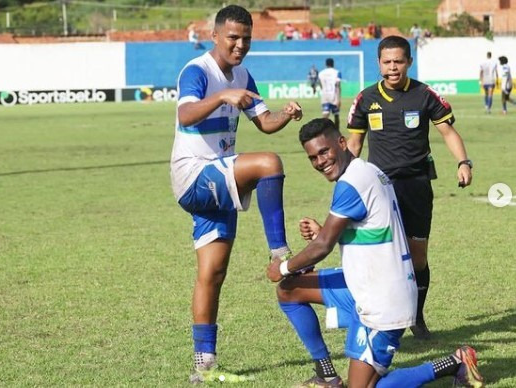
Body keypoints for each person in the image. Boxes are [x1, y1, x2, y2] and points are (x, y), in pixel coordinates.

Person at [267, 118, 484, 388]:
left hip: (384, 299)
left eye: (324, 152)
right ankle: (326, 374)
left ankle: (454, 362)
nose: (320, 161)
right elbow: (373, 230)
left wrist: (284, 267)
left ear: (342, 143)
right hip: (364, 283)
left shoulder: (351, 183)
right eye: (313, 157)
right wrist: (325, 232)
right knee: (289, 290)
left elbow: (322, 246)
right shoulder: (366, 170)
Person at [170, 4, 303, 383]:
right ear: (215, 36)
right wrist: (224, 96)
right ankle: (280, 253)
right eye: (233, 37)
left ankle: (204, 365)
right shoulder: (197, 71)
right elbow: (186, 115)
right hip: (195, 175)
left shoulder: (244, 74)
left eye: (246, 38)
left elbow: (264, 123)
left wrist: (285, 114)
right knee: (269, 164)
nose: (240, 45)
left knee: (212, 273)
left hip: (221, 181)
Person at [347, 35, 473, 340]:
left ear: (409, 62)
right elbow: (354, 142)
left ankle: (416, 317)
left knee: (417, 257)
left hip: (416, 186)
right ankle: (380, 319)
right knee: (380, 254)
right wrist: (346, 179)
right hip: (379, 188)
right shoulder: (365, 99)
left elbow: (447, 131)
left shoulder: (424, 95)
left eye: (399, 61)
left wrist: (464, 162)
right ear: (378, 63)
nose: (393, 68)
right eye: (387, 62)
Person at [318, 58, 342, 130]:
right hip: (334, 96)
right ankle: (337, 132)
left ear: (326, 64)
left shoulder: (321, 73)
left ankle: (323, 131)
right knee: (336, 115)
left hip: (325, 96)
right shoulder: (337, 72)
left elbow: (321, 85)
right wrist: (338, 99)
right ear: (333, 64)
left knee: (325, 115)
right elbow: (337, 85)